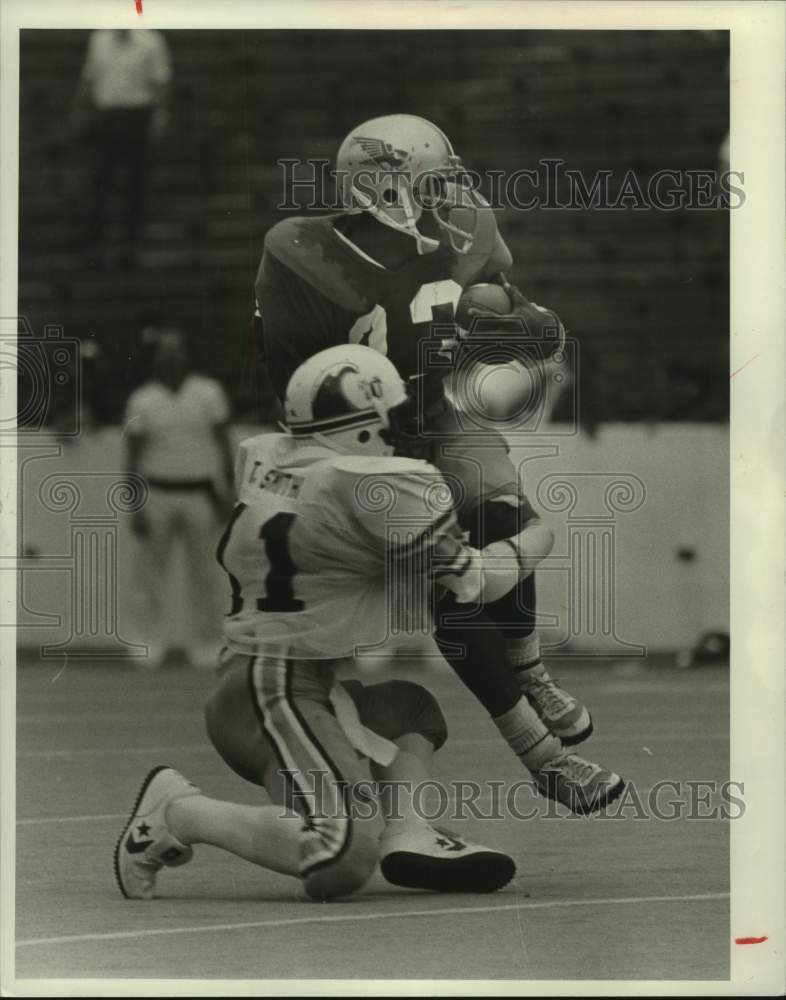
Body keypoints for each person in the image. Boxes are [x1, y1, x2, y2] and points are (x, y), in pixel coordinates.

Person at [252, 114, 624, 810]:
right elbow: (293, 381)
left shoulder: (462, 226)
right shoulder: (302, 249)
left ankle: (529, 669)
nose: (447, 196)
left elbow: (530, 320)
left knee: (506, 516)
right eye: (430, 182)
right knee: (452, 589)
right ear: (379, 186)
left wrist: (509, 319)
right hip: (363, 441)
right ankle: (544, 760)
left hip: (440, 416)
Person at [115, 345, 524, 902]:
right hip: (273, 689)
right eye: (394, 420)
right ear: (359, 430)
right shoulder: (361, 482)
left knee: (412, 710)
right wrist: (533, 531)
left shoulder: (277, 460)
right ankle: (182, 813)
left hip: (290, 684)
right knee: (341, 857)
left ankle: (409, 831)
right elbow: (479, 580)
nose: (405, 432)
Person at [123, 327, 233, 670]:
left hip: (201, 493)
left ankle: (208, 642)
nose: (170, 358)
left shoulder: (208, 393)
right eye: (164, 353)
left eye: (176, 351)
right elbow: (133, 456)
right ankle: (146, 640)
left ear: (187, 355)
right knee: (150, 574)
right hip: (157, 492)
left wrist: (228, 489)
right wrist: (135, 504)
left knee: (206, 574)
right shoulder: (142, 399)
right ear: (156, 359)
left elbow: (223, 443)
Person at [72, 28, 172, 255]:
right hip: (106, 117)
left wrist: (160, 115)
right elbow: (88, 78)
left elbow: (162, 81)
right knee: (100, 180)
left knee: (136, 183)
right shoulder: (98, 40)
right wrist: (79, 109)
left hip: (138, 117)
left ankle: (131, 244)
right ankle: (94, 241)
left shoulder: (152, 41)